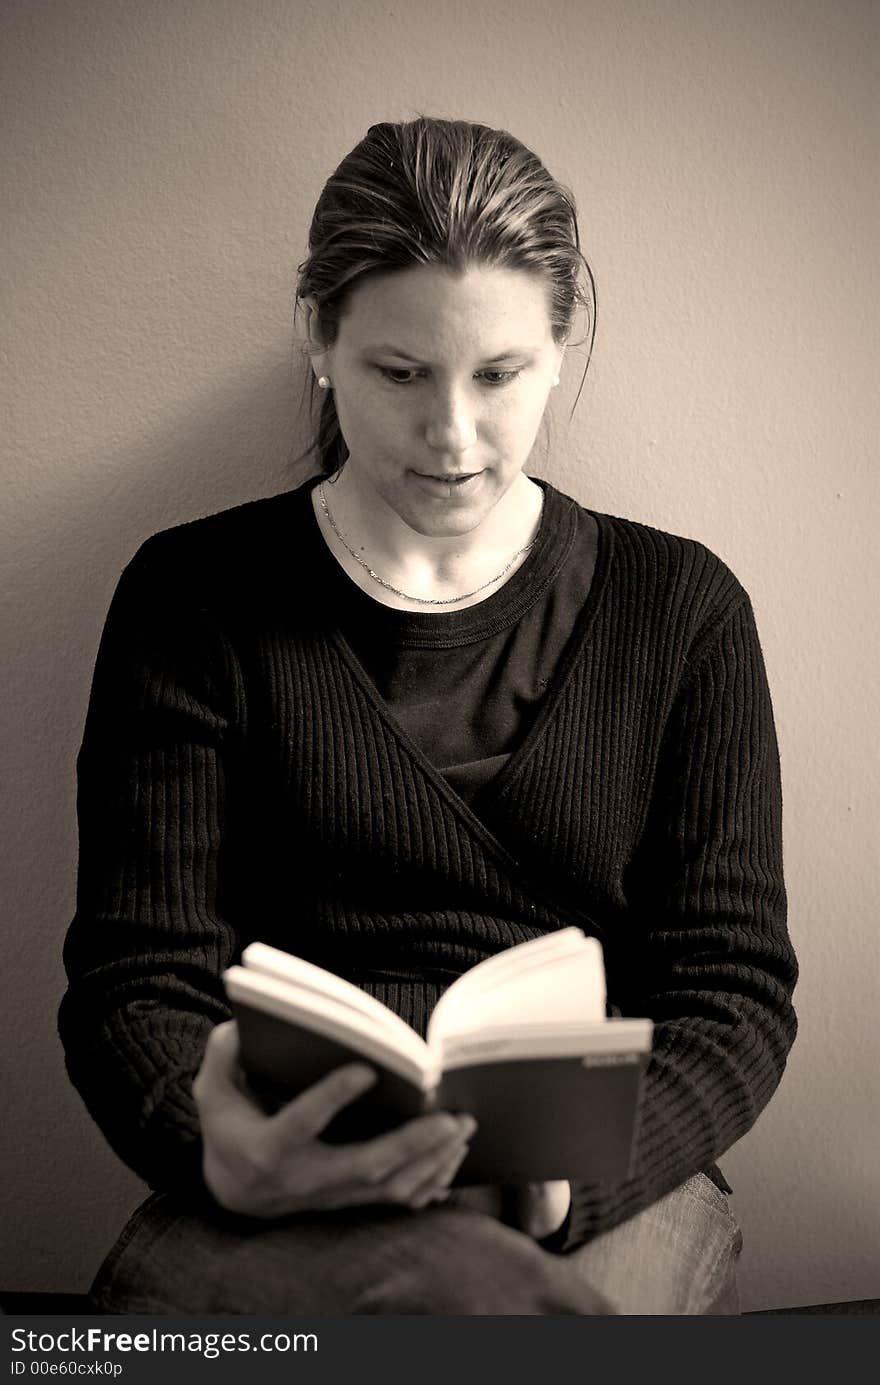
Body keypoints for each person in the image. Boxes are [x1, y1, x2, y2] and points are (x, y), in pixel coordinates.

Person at [59, 116, 798, 1315]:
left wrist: (563, 1184)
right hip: (282, 1178)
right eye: (398, 373)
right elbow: (136, 970)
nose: (450, 436)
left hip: (588, 1182)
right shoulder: (193, 597)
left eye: (497, 375)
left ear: (560, 348)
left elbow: (734, 993)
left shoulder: (682, 610)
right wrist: (210, 1143)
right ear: (319, 339)